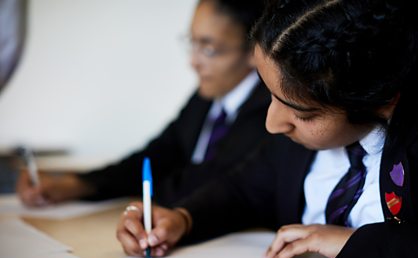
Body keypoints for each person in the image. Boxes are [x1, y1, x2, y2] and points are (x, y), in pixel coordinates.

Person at [116, 0, 418, 258]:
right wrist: (183, 219)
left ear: (379, 99)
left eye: (301, 111)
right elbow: (246, 187)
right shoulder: (299, 112)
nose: (272, 123)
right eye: (269, 94)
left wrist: (357, 244)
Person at [16, 0, 269, 207]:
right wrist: (78, 184)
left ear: (253, 52)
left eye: (209, 48)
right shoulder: (206, 98)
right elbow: (157, 156)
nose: (193, 61)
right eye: (192, 43)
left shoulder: (269, 111)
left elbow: (211, 181)